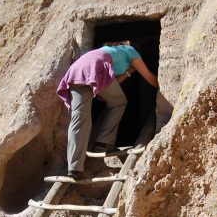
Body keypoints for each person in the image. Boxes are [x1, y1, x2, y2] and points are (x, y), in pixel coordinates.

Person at [56, 41, 158, 178]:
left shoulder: (108, 50)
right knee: (119, 103)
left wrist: (128, 72)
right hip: (96, 68)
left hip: (77, 71)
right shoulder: (131, 51)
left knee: (78, 118)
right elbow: (149, 78)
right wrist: (163, 88)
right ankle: (104, 142)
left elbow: (107, 83)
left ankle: (74, 168)